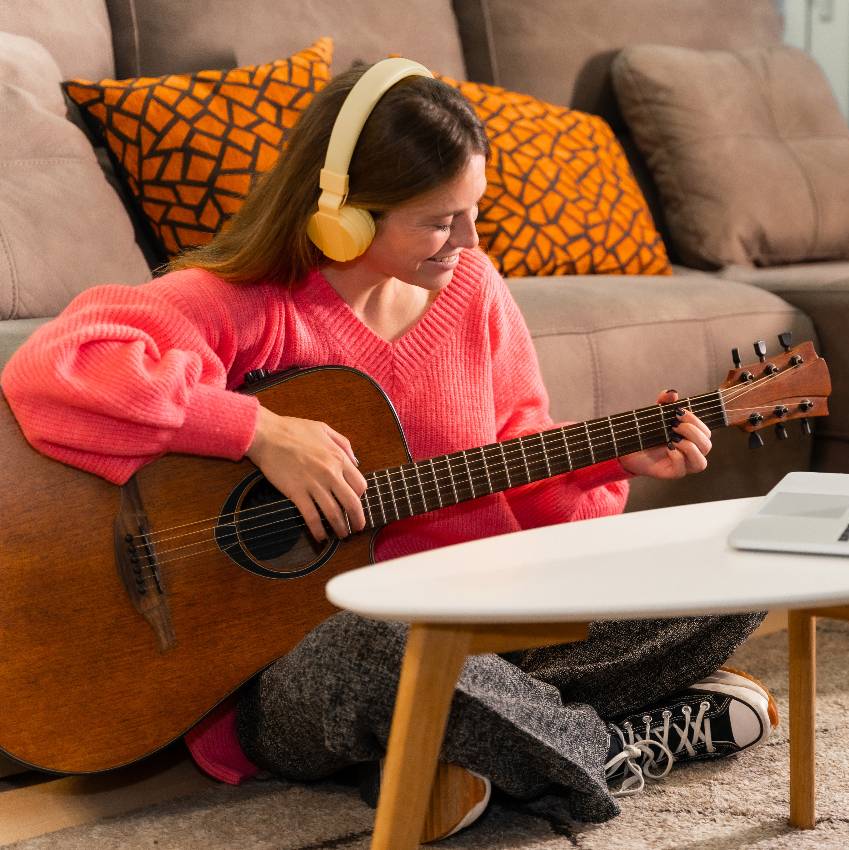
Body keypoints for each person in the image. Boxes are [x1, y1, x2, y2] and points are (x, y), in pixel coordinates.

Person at [0, 58, 775, 841]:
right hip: (295, 672)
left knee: (735, 568)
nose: (467, 241)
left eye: (472, 212)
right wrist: (257, 430)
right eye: (440, 220)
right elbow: (55, 368)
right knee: (382, 649)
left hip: (482, 622)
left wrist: (610, 462)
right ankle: (604, 747)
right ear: (344, 213)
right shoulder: (247, 304)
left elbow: (515, 456)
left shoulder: (476, 290)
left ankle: (467, 741)